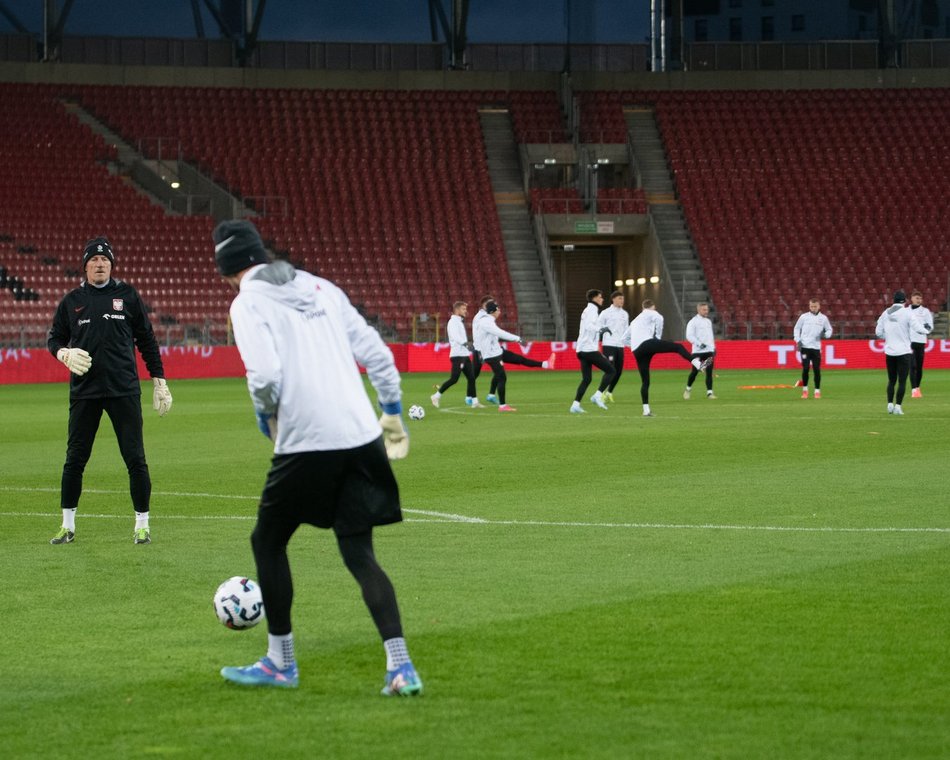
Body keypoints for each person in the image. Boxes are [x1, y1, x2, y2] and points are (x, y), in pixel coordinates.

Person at [212, 220, 422, 695]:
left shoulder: (247, 302)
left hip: (307, 439)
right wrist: (391, 412)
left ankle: (280, 662)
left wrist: (265, 415)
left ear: (226, 269)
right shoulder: (321, 286)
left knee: (268, 540)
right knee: (358, 550)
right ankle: (401, 666)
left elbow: (264, 372)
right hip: (361, 432)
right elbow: (376, 353)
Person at [46, 237, 172, 546]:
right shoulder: (71, 300)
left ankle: (142, 525)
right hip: (84, 391)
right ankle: (67, 526)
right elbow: (54, 339)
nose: (100, 264)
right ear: (85, 266)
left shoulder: (127, 296)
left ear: (111, 265)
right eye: (94, 260)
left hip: (123, 390)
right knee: (75, 459)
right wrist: (63, 354)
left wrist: (159, 379)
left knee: (135, 458)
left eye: (105, 260)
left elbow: (146, 339)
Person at [625, 299, 708, 417]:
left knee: (645, 381)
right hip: (647, 344)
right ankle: (697, 364)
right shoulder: (650, 312)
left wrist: (634, 346)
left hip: (637, 351)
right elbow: (659, 318)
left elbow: (624, 339)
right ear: (651, 307)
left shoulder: (634, 321)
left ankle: (646, 410)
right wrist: (657, 337)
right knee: (678, 347)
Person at [472, 300, 524, 412]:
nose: (499, 311)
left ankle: (492, 399)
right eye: (497, 309)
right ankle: (500, 404)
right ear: (492, 310)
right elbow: (499, 333)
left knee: (499, 376)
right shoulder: (485, 321)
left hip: (490, 352)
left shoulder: (487, 320)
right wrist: (516, 338)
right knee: (500, 377)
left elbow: (489, 336)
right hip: (490, 354)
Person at [430, 301, 484, 408]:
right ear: (457, 310)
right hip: (457, 355)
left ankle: (475, 402)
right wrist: (465, 343)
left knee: (472, 378)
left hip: (464, 355)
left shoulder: (459, 322)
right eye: (463, 309)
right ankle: (436, 396)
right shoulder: (452, 322)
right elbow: (455, 336)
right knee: (454, 379)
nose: (465, 311)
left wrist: (468, 347)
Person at [570, 289, 615, 413]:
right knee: (611, 371)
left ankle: (575, 405)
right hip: (588, 349)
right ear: (594, 298)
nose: (602, 299)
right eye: (600, 297)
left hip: (581, 349)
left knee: (587, 379)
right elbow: (590, 326)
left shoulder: (587, 310)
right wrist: (601, 329)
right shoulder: (592, 310)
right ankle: (597, 395)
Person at [875, 290, 916, 415]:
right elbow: (917, 327)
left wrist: (886, 337)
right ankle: (898, 406)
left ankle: (889, 404)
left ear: (893, 300)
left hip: (890, 352)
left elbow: (878, 332)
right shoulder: (907, 312)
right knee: (902, 381)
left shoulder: (886, 312)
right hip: (904, 352)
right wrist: (925, 331)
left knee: (891, 380)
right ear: (905, 301)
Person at [793, 299, 833, 399]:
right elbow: (797, 328)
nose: (813, 308)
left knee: (816, 369)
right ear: (809, 306)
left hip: (816, 348)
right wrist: (798, 340)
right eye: (811, 306)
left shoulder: (823, 318)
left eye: (815, 306)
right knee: (805, 368)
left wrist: (826, 335)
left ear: (819, 306)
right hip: (805, 347)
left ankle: (817, 391)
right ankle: (805, 390)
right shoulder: (804, 317)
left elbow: (829, 329)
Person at [598, 290, 629, 403]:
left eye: (623, 299)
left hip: (620, 345)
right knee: (610, 370)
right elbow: (598, 326)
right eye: (620, 299)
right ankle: (600, 393)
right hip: (609, 344)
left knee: (619, 371)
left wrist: (628, 343)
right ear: (613, 299)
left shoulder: (625, 314)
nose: (622, 301)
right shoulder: (605, 313)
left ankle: (609, 392)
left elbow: (627, 330)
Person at [684, 302, 717, 400]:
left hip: (708, 351)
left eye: (707, 309)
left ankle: (709, 393)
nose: (706, 311)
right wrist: (699, 344)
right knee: (694, 372)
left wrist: (713, 347)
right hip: (697, 351)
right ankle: (688, 389)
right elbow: (689, 336)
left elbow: (710, 336)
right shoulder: (693, 322)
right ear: (698, 310)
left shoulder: (708, 321)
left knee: (709, 371)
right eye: (704, 309)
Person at [908, 290, 934, 398]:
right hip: (909, 341)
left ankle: (917, 387)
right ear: (912, 298)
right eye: (917, 298)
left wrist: (924, 329)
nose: (919, 300)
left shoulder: (925, 312)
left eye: (920, 298)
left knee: (919, 367)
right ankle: (914, 389)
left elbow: (930, 326)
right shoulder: (905, 311)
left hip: (921, 341)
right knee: (912, 366)